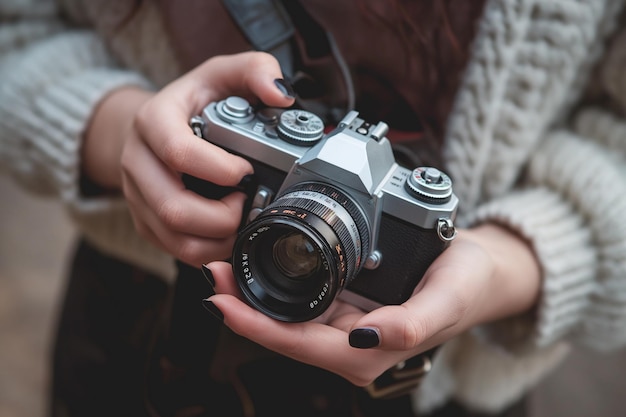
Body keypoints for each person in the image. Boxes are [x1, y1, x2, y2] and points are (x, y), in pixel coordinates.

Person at [1, 0, 626, 416]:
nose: (301, 247)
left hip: (444, 379)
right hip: (138, 321)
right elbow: (15, 33)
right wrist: (131, 141)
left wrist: (499, 265)